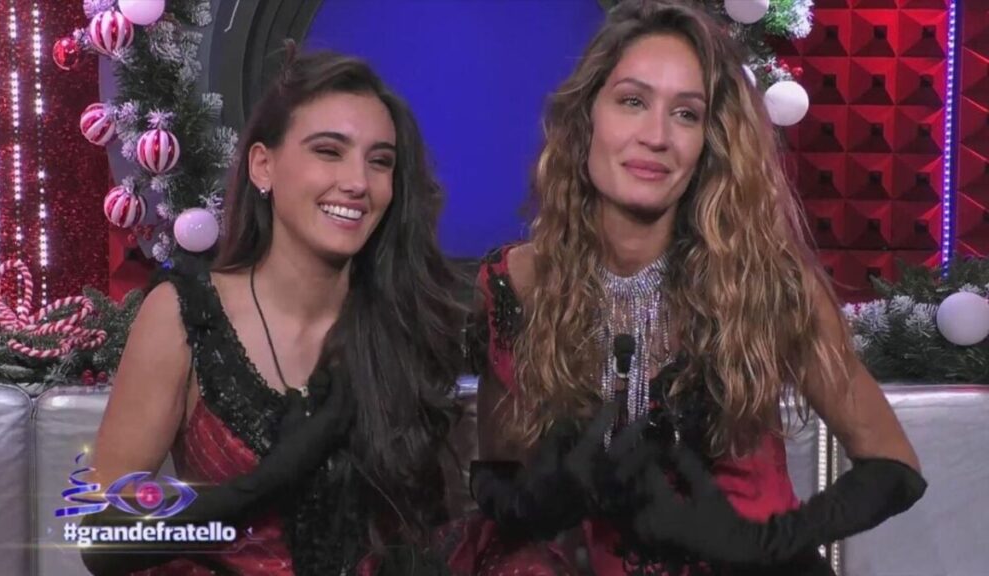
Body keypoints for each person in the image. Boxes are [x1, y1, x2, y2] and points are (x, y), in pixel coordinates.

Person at [459, 1, 927, 574]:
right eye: (632, 101)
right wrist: (538, 502)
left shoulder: (767, 283)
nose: (656, 136)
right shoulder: (513, 286)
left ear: (709, 140)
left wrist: (764, 542)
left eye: (686, 114)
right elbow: (500, 475)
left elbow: (894, 466)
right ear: (586, 119)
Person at [81, 44, 465, 576]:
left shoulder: (406, 322)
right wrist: (260, 485)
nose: (358, 182)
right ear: (263, 165)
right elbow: (101, 537)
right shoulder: (185, 315)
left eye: (380, 161)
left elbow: (431, 529)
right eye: (329, 151)